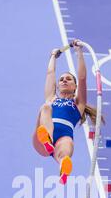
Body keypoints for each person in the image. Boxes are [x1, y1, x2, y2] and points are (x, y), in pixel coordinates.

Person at [32, 39, 102, 185]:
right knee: (45, 107)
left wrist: (79, 52)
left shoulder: (78, 104)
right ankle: (47, 139)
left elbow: (82, 78)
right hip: (43, 136)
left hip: (63, 137)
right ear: (57, 86)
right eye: (62, 79)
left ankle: (64, 169)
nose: (64, 81)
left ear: (75, 86)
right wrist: (53, 56)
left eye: (68, 79)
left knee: (67, 145)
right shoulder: (51, 98)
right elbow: (50, 73)